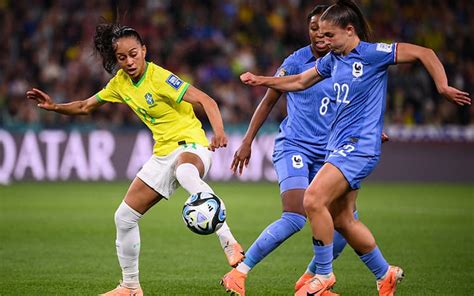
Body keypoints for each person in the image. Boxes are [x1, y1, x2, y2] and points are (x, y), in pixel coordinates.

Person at [239, 1, 471, 295]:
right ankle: (384, 274)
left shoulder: (373, 54)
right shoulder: (333, 60)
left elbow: (424, 52)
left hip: (358, 146)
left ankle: (322, 275)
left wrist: (442, 85)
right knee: (343, 220)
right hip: (337, 146)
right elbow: (298, 81)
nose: (324, 41)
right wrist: (261, 80)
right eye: (320, 34)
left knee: (312, 200)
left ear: (349, 30)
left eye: (330, 35)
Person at [26, 23, 245, 296]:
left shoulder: (160, 77)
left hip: (192, 145)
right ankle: (130, 287)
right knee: (124, 217)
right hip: (162, 153)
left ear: (144, 50)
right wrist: (54, 106)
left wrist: (219, 132)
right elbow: (84, 106)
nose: (129, 62)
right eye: (122, 58)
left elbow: (207, 100)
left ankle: (229, 242)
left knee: (186, 171)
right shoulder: (120, 84)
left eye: (133, 54)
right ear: (116, 60)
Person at [221, 5, 360, 296]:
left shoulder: (348, 63)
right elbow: (269, 101)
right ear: (308, 29)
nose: (319, 35)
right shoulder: (296, 61)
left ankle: (312, 279)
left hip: (331, 153)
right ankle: (239, 274)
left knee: (346, 223)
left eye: (324, 30)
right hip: (294, 146)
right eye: (313, 28)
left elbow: (354, 104)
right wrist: (247, 141)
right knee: (295, 217)